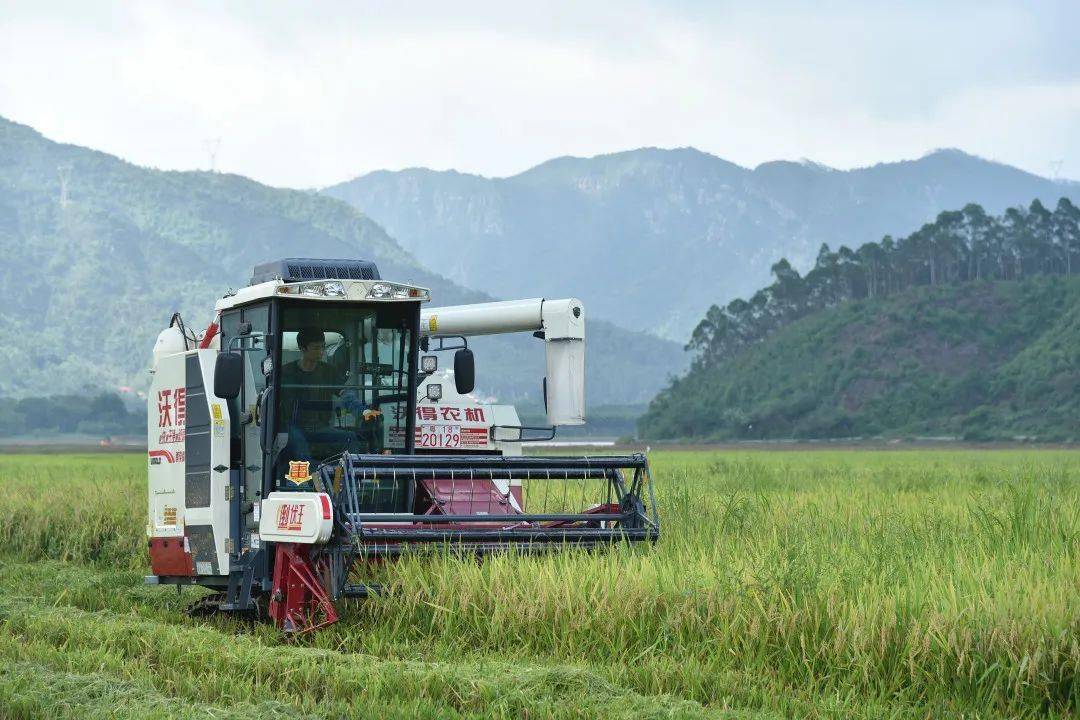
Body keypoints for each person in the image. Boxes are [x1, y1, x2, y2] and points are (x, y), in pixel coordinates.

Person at [279, 327, 365, 477]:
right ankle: (311, 484)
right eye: (316, 348)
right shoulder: (285, 373)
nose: (321, 351)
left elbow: (344, 393)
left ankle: (349, 482)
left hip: (320, 427)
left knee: (350, 437)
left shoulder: (327, 371)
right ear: (302, 348)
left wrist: (362, 411)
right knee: (299, 447)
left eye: (323, 347)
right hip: (294, 427)